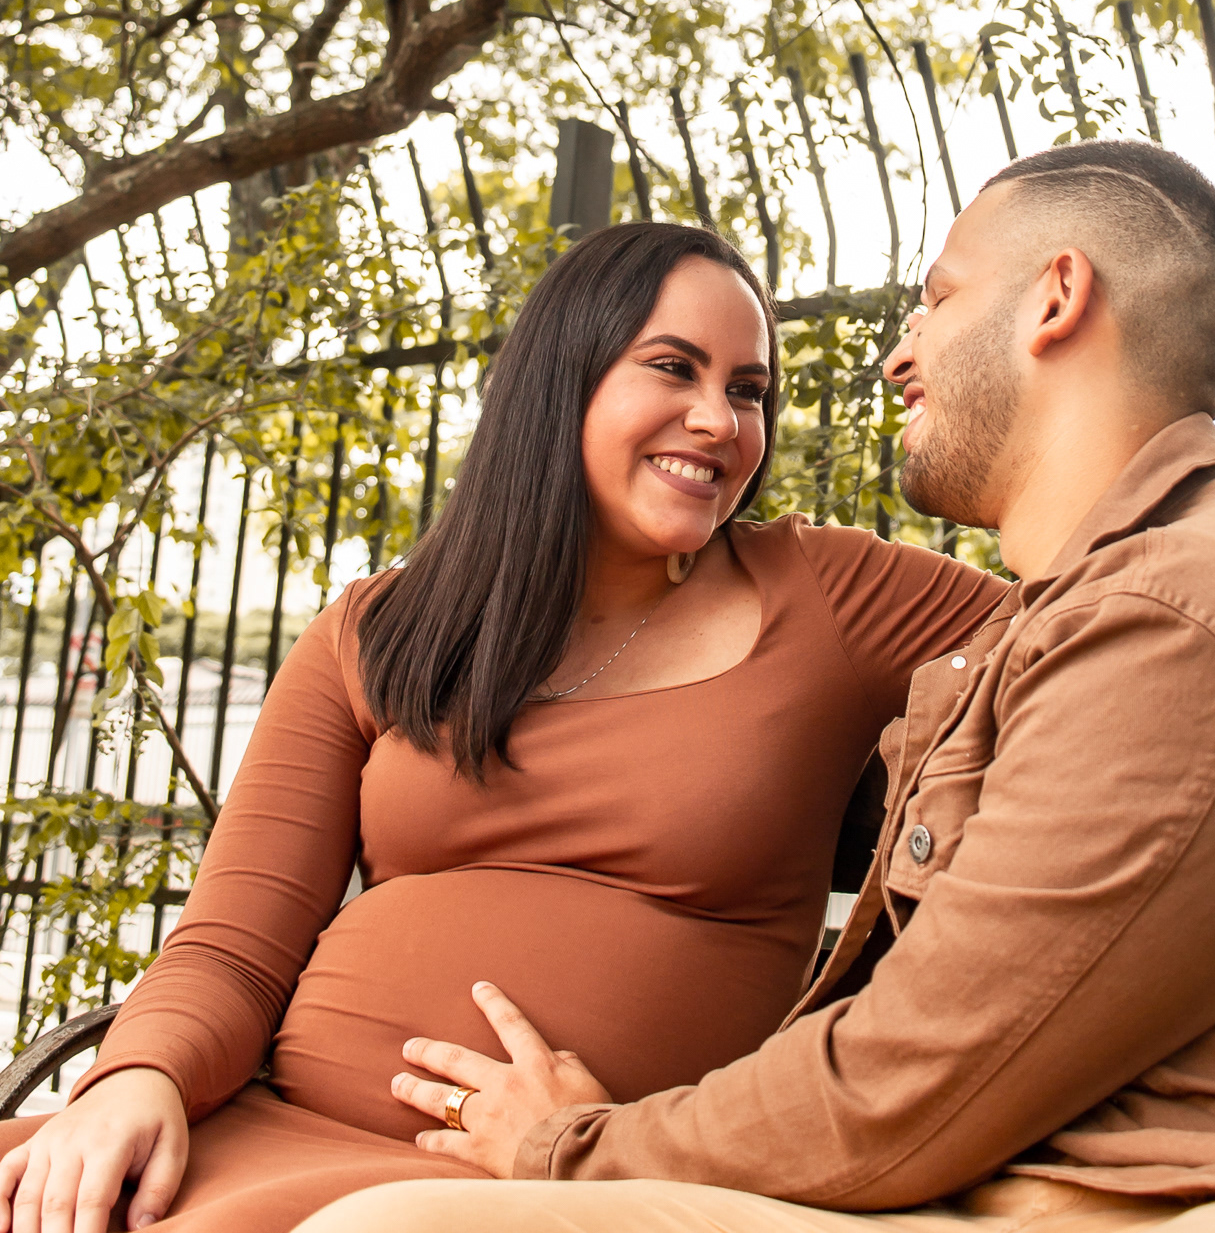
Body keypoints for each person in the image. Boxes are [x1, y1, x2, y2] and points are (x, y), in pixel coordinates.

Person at [299, 142, 1215, 1233]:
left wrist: (565, 1148)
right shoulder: (1095, 607)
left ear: (1056, 297)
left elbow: (909, 1081)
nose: (900, 355)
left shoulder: (1180, 615)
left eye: (937, 299)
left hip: (1131, 1200)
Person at [0, 222, 1006, 1233]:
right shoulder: (380, 630)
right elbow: (233, 943)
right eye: (673, 368)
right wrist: (138, 1078)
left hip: (541, 1189)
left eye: (747, 389)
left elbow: (1085, 625)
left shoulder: (830, 593)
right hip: (254, 1130)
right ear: (560, 381)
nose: (718, 419)